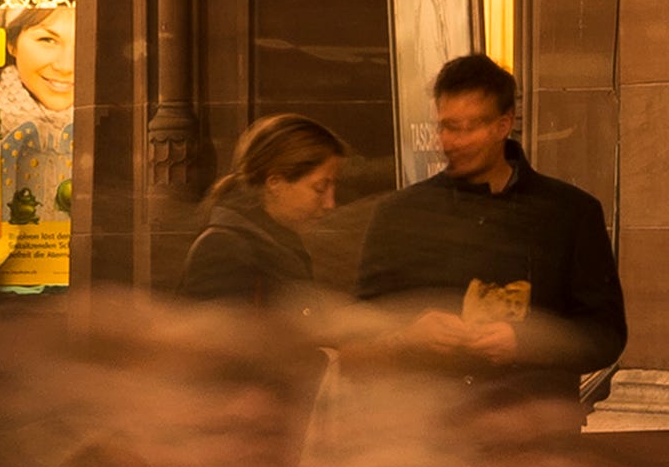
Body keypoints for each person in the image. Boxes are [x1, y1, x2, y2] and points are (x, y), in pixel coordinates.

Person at [357, 54, 625, 400]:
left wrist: (527, 342)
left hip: (532, 427)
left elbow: (606, 335)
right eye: (447, 126)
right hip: (429, 428)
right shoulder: (399, 214)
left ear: (503, 125)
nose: (455, 141)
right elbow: (360, 328)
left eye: (470, 127)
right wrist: (409, 335)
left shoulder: (570, 213)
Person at [178, 114, 345, 305]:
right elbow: (219, 331)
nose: (330, 203)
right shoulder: (225, 249)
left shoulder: (279, 244)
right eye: (320, 188)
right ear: (275, 183)